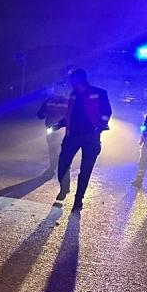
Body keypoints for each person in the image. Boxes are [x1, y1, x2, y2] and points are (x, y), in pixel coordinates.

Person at [55, 67, 112, 212]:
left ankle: (78, 200)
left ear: (78, 79)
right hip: (72, 136)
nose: (69, 82)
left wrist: (99, 127)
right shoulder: (74, 94)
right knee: (62, 165)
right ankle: (65, 187)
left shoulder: (99, 93)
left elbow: (107, 112)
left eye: (71, 79)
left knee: (85, 171)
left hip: (90, 138)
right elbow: (70, 115)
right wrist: (60, 124)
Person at [36, 80, 70, 177]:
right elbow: (40, 113)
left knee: (63, 150)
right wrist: (41, 114)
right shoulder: (48, 101)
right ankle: (52, 167)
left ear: (64, 90)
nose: (59, 91)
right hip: (50, 128)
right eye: (57, 88)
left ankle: (63, 170)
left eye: (61, 89)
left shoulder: (68, 101)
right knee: (52, 149)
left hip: (63, 130)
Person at [132, 102, 147, 189]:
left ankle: (138, 181)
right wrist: (143, 136)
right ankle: (139, 181)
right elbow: (144, 126)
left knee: (143, 163)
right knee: (142, 163)